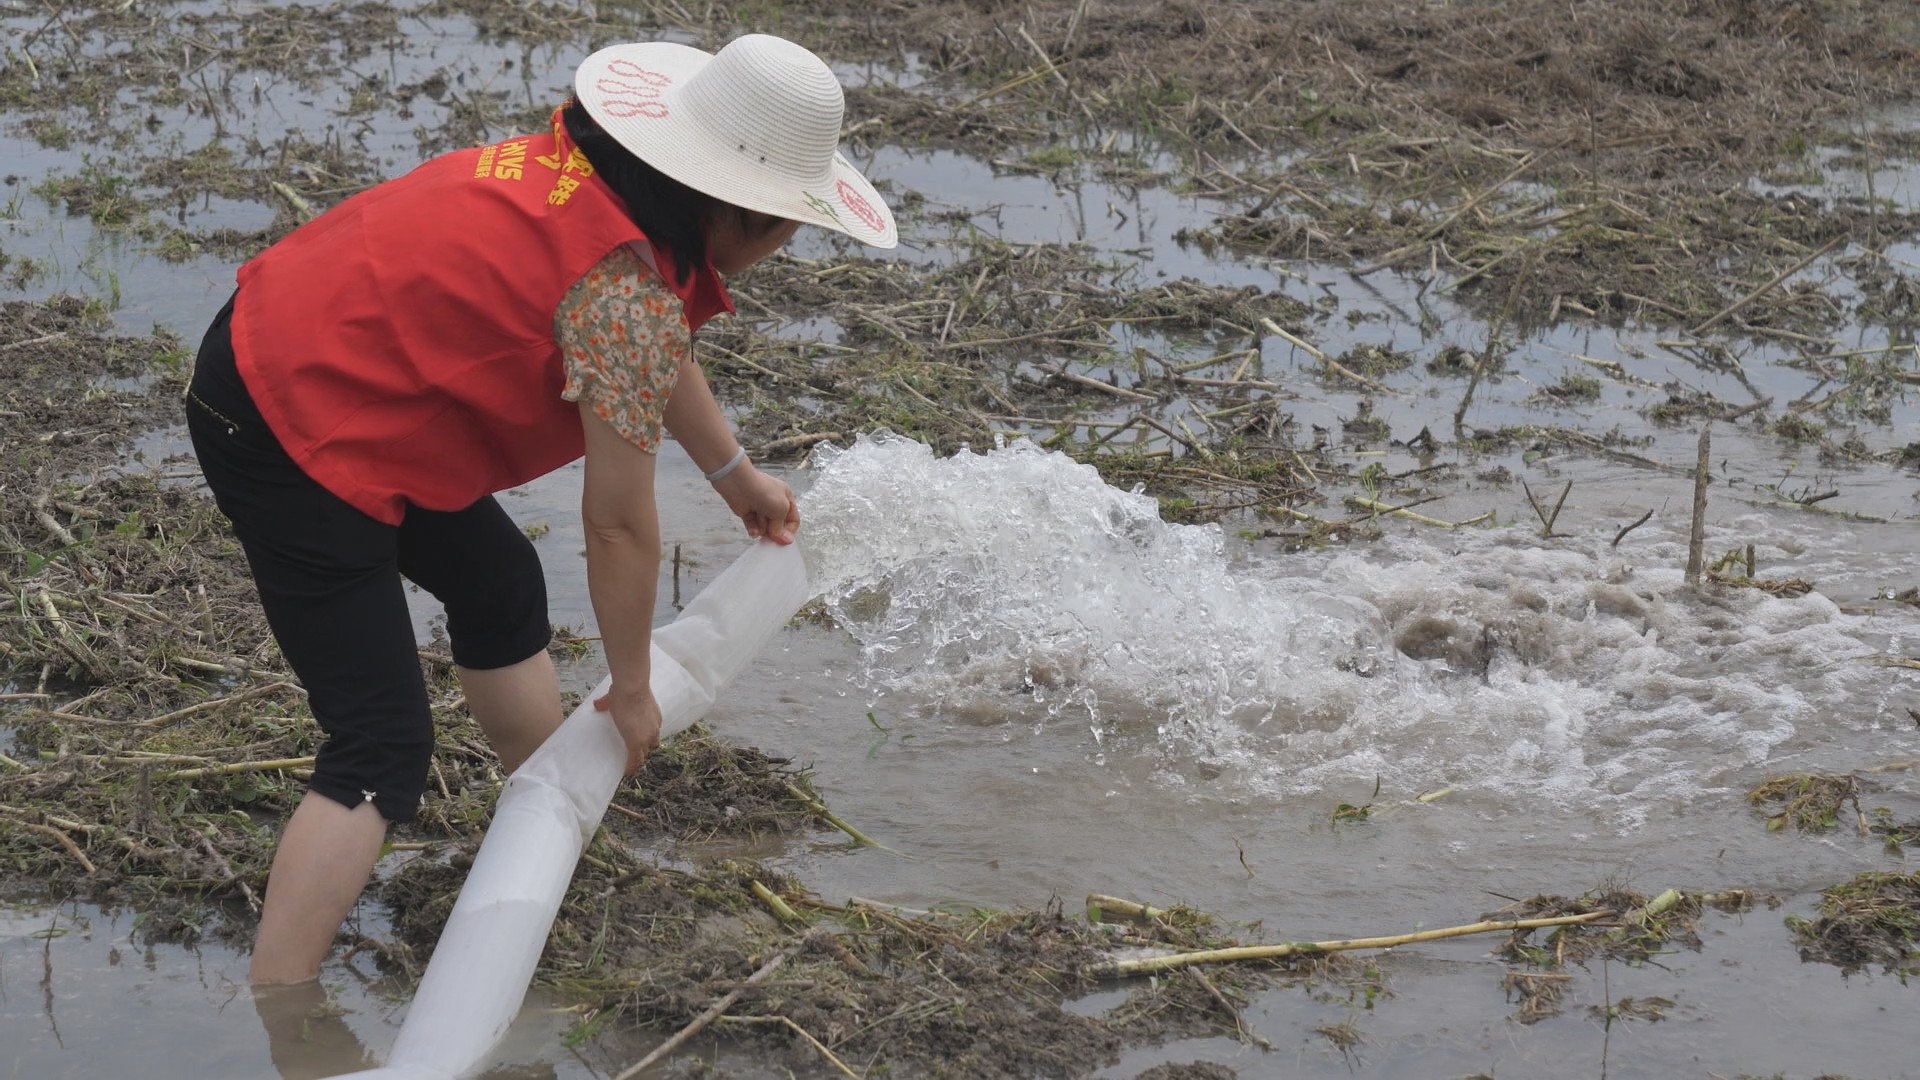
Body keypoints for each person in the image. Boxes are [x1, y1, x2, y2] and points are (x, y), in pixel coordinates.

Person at [184, 33, 897, 985]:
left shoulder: (602, 184)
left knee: (501, 583)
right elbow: (617, 522)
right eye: (789, 226)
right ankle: (284, 1008)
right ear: (742, 216)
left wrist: (733, 475)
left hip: (313, 343)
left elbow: (650, 338)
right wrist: (632, 689)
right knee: (379, 745)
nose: (786, 245)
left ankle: (547, 820)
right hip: (284, 416)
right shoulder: (627, 295)